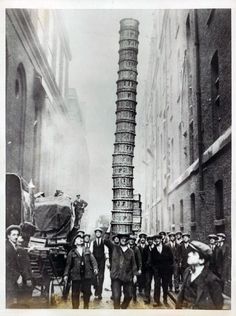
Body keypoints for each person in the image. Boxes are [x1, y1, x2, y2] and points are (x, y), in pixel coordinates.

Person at [176, 240, 223, 309]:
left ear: (201, 260)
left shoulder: (212, 280)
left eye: (194, 253)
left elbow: (218, 306)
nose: (189, 254)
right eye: (189, 252)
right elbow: (181, 296)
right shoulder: (187, 271)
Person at [63, 231, 98, 309]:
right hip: (76, 276)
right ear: (75, 242)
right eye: (78, 239)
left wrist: (95, 268)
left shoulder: (87, 250)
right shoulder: (71, 253)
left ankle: (86, 307)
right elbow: (68, 265)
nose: (81, 240)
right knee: (75, 294)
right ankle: (75, 309)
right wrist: (65, 275)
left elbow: (93, 260)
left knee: (87, 293)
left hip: (87, 275)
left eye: (81, 238)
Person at [109, 234, 138, 309]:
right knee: (116, 297)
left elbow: (134, 264)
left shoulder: (131, 251)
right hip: (116, 276)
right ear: (119, 239)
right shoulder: (114, 248)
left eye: (125, 238)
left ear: (127, 240)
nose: (123, 239)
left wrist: (135, 275)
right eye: (122, 238)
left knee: (129, 296)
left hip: (127, 276)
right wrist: (109, 229)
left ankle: (123, 307)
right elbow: (106, 240)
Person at [150, 233, 174, 307]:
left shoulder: (167, 248)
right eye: (155, 239)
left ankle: (165, 299)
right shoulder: (153, 250)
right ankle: (157, 301)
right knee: (157, 285)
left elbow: (171, 259)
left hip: (166, 271)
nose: (157, 240)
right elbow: (152, 261)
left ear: (161, 240)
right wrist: (155, 269)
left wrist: (169, 268)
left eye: (158, 239)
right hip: (157, 272)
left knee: (165, 286)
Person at [6, 225, 23, 308]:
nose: (16, 237)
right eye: (13, 235)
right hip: (8, 279)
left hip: (12, 278)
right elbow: (6, 267)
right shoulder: (7, 248)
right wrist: (18, 276)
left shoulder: (13, 246)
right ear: (8, 236)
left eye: (17, 235)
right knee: (9, 302)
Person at [90, 227, 109, 300]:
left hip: (101, 261)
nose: (98, 233)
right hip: (94, 261)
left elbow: (106, 252)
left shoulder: (104, 242)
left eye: (99, 232)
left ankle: (99, 293)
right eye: (96, 232)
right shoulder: (93, 242)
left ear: (101, 234)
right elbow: (91, 253)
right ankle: (96, 289)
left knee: (101, 277)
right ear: (95, 234)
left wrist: (107, 260)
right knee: (94, 277)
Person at [128, 235, 142, 303]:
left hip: (134, 268)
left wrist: (139, 268)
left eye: (132, 240)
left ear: (134, 241)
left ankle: (134, 297)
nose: (131, 241)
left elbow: (139, 260)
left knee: (134, 283)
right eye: (130, 239)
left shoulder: (136, 249)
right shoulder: (126, 248)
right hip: (127, 268)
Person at [143, 235, 155, 305]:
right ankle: (147, 297)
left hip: (156, 268)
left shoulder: (156, 248)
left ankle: (156, 299)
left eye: (151, 240)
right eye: (148, 240)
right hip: (148, 269)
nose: (150, 241)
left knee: (157, 283)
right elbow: (143, 258)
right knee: (147, 282)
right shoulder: (145, 248)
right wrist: (145, 265)